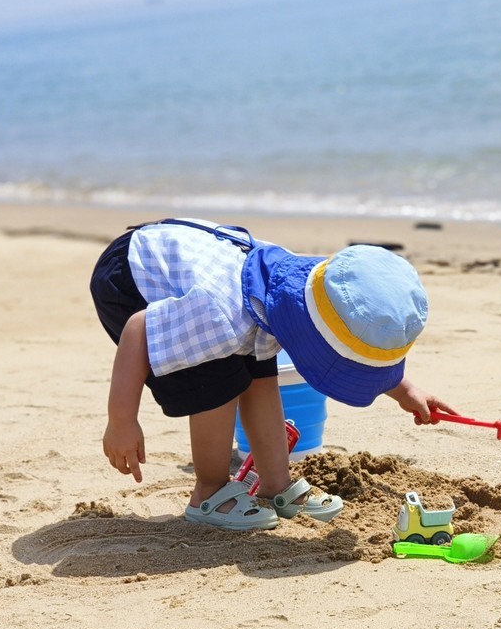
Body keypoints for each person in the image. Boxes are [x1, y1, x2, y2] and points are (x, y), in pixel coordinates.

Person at [90, 218, 455, 531]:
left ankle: (275, 485)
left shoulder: (309, 291)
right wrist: (121, 420)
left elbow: (354, 339)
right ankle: (209, 492)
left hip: (209, 279)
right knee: (217, 376)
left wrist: (402, 388)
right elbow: (138, 330)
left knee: (260, 372)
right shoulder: (220, 315)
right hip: (131, 280)